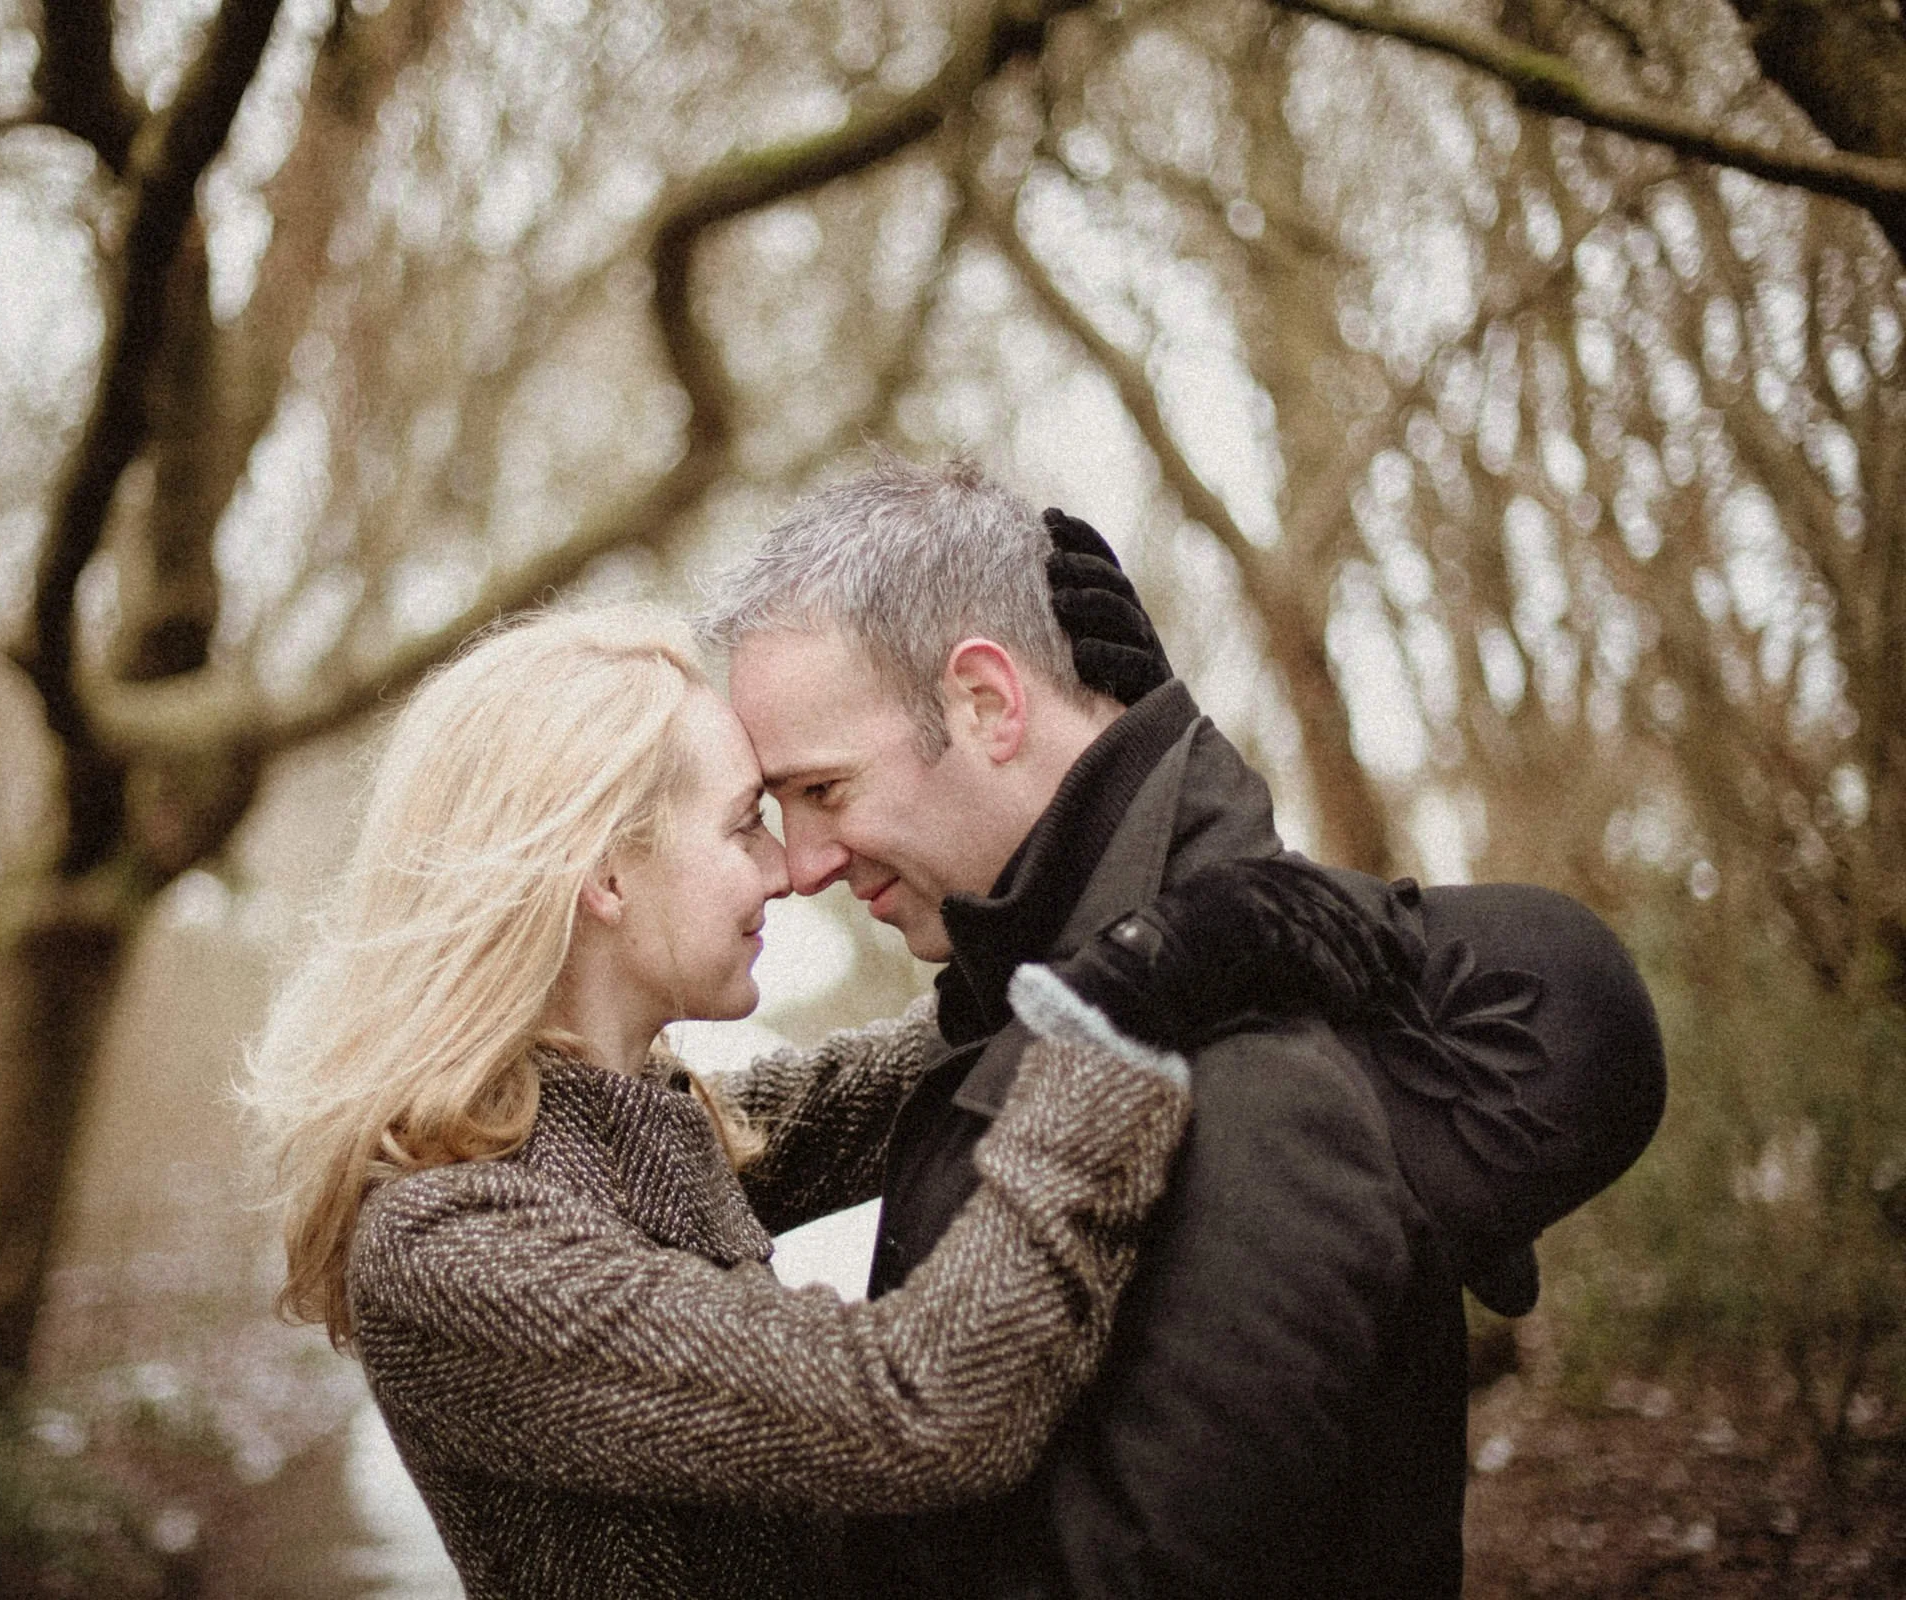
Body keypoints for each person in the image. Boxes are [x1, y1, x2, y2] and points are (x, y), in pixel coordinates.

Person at [700, 456, 1664, 1599]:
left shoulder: (1239, 1076)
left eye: (826, 791)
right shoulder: (1069, 985)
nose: (802, 864)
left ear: (989, 704)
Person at [245, 604, 1198, 1600]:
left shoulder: (623, 1130)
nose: (787, 869)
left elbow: (891, 1079)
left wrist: (1105, 767)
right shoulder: (455, 1243)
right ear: (606, 871)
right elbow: (918, 1404)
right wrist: (1120, 1017)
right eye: (746, 823)